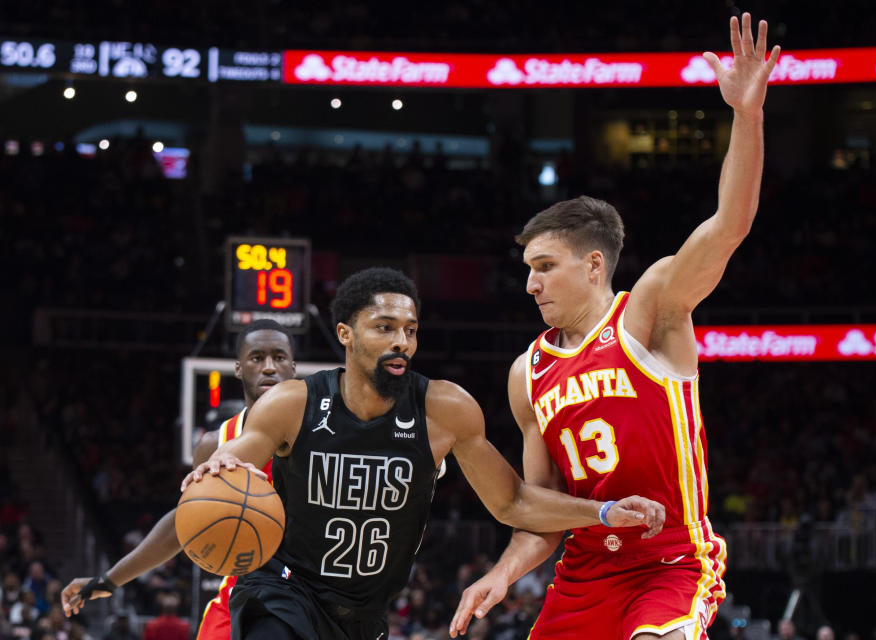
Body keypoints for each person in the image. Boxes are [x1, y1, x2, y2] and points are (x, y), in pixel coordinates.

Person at [451, 13, 781, 640]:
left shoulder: (650, 310)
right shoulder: (528, 373)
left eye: (545, 266)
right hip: (583, 578)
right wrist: (502, 572)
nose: (531, 284)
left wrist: (747, 115)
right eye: (527, 269)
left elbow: (729, 226)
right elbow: (539, 509)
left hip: (671, 565)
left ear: (594, 262)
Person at [182, 267, 665, 640]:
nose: (401, 342)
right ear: (345, 334)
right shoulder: (294, 403)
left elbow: (513, 503)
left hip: (364, 613)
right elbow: (238, 454)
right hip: (282, 593)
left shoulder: (445, 409)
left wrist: (603, 512)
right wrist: (217, 467)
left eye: (410, 330)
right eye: (384, 327)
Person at [61, 320, 298, 640]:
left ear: (294, 367)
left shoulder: (322, 437)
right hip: (241, 596)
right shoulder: (215, 444)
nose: (269, 367)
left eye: (279, 357)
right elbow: (182, 524)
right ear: (239, 369)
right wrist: (108, 580)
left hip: (308, 596)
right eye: (257, 358)